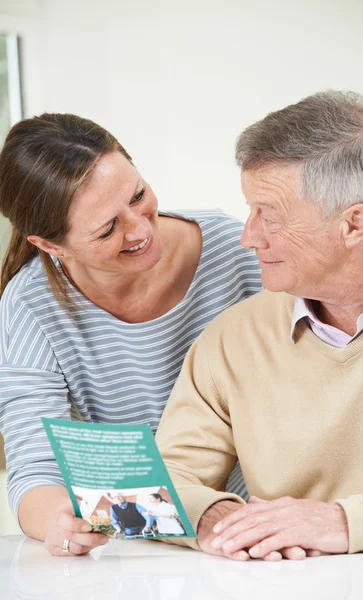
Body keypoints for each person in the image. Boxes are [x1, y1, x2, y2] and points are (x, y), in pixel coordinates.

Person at [0, 113, 262, 557]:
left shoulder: (237, 252)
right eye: (107, 230)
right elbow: (34, 467)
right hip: (140, 540)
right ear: (50, 245)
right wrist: (58, 519)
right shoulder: (32, 304)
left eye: (138, 195)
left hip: (253, 525)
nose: (140, 229)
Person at [155, 90, 363, 562]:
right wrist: (217, 520)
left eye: (270, 216)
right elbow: (155, 485)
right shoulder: (230, 340)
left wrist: (346, 523)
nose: (248, 236)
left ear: (353, 224)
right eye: (250, 210)